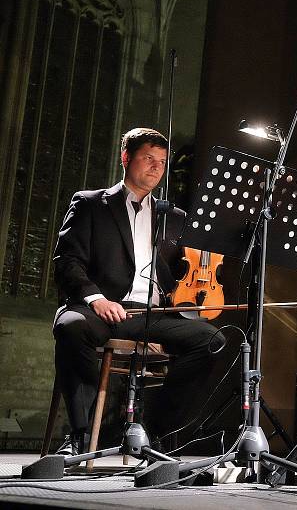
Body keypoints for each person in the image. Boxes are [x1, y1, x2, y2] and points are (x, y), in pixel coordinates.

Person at [51, 127, 224, 456]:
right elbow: (66, 261)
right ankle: (82, 435)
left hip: (151, 314)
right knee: (70, 327)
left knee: (212, 340)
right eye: (148, 158)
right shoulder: (90, 204)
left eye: (162, 161)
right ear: (125, 158)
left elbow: (188, 271)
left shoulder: (173, 218)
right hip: (100, 308)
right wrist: (96, 299)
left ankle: (151, 429)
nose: (157, 167)